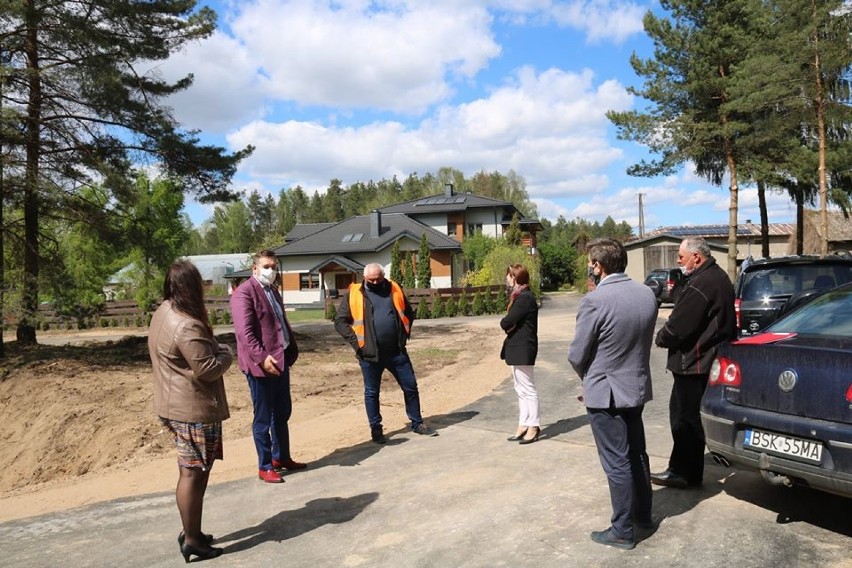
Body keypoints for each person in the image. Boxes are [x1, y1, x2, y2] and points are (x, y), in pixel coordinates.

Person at [568, 238, 658, 550]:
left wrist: (589, 378)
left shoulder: (595, 300)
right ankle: (643, 515)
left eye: (590, 263)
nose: (588, 268)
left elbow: (577, 354)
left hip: (606, 393)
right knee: (637, 454)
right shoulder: (646, 293)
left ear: (599, 266)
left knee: (616, 462)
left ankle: (622, 530)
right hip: (635, 388)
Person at [148, 260, 233, 562]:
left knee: (191, 471)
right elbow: (208, 369)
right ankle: (193, 540)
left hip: (174, 405)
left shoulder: (163, 312)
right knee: (193, 474)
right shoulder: (186, 323)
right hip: (192, 409)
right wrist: (226, 353)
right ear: (192, 287)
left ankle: (191, 530)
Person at [651, 236, 736, 489]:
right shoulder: (715, 277)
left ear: (696, 257)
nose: (678, 261)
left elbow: (678, 326)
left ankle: (684, 472)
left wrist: (660, 337)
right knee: (687, 418)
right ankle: (682, 469)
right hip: (703, 360)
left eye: (681, 256)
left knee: (685, 420)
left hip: (695, 362)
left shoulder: (703, 283)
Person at [334, 263, 437, 443]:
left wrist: (403, 335)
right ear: (364, 277)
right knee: (372, 393)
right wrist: (357, 344)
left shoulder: (394, 288)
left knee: (410, 386)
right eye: (371, 279)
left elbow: (408, 313)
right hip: (370, 355)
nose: (374, 282)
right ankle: (376, 429)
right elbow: (340, 322)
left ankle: (417, 423)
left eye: (378, 279)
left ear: (383, 276)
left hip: (396, 352)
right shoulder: (354, 293)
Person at [231, 250, 306, 484]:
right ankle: (265, 466)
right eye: (266, 266)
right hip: (260, 365)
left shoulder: (273, 291)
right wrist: (262, 358)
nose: (270, 271)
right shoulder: (244, 293)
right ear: (255, 269)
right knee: (263, 418)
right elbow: (245, 333)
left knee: (282, 413)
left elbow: (279, 322)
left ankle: (281, 457)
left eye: (273, 266)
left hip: (281, 360)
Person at [500, 264, 540, 444]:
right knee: (520, 388)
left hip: (523, 348)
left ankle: (534, 425)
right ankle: (524, 423)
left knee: (528, 389)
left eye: (509, 276)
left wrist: (505, 322)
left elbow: (506, 321)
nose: (507, 279)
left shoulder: (524, 298)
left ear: (515, 278)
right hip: (518, 348)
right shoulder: (520, 297)